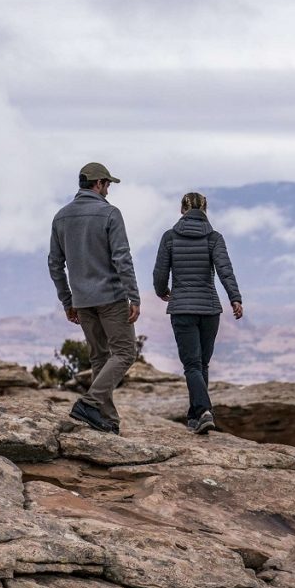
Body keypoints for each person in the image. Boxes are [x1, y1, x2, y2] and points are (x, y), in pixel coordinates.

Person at [48, 162, 141, 434]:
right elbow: (122, 257)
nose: (108, 190)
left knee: (100, 356)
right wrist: (133, 295)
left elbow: (55, 263)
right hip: (111, 297)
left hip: (82, 300)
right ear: (98, 184)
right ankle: (89, 402)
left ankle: (107, 420)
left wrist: (67, 300)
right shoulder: (109, 213)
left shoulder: (61, 217)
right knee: (124, 353)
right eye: (107, 185)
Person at [152, 192, 242, 434]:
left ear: (182, 209)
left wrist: (162, 291)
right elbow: (225, 270)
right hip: (209, 308)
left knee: (192, 364)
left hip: (182, 308)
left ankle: (202, 411)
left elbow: (160, 272)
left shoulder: (169, 237)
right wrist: (235, 297)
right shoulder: (214, 238)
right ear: (205, 210)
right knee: (202, 364)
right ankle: (196, 416)